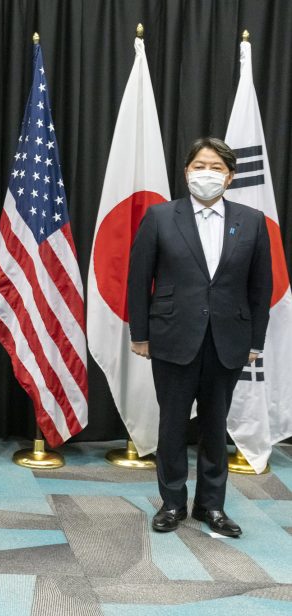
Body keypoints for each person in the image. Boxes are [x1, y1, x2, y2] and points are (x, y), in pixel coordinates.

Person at [128, 137, 271, 537]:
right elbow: (139, 279)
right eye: (199, 166)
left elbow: (261, 287)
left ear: (230, 176)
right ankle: (172, 503)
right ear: (186, 172)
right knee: (172, 424)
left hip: (228, 339)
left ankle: (211, 506)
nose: (207, 173)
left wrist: (256, 341)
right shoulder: (160, 217)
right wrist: (140, 334)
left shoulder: (252, 220)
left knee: (215, 425)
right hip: (172, 336)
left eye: (216, 167)